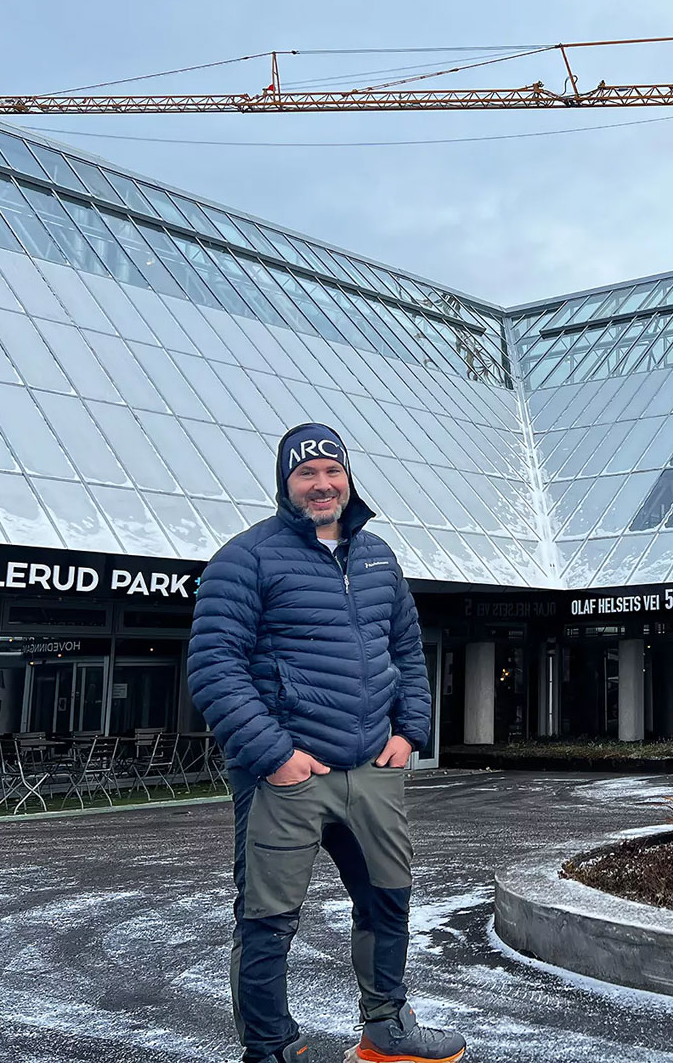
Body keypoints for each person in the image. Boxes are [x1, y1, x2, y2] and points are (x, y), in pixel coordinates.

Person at [188, 423, 466, 1063]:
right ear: (286, 483)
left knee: (386, 897)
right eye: (305, 474)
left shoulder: (378, 558)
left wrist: (408, 733)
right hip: (287, 773)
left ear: (347, 477)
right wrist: (276, 758)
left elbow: (406, 652)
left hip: (372, 766)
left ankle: (386, 1029)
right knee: (268, 917)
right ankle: (271, 1048)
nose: (321, 484)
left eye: (330, 471)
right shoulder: (246, 558)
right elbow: (214, 666)